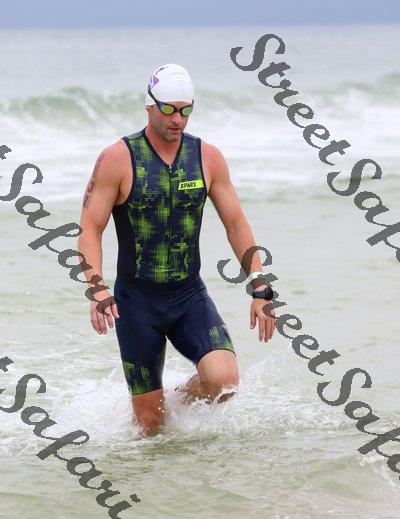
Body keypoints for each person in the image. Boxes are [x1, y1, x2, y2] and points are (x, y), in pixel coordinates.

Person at [77, 63, 276, 437]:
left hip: (188, 296)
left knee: (225, 381)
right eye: (168, 109)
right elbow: (90, 228)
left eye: (186, 110)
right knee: (150, 426)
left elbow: (236, 224)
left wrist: (260, 287)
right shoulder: (119, 158)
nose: (177, 119)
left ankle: (181, 398)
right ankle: (154, 416)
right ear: (149, 105)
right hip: (137, 302)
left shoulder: (207, 157)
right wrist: (97, 289)